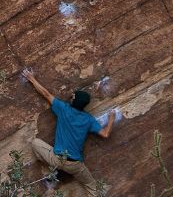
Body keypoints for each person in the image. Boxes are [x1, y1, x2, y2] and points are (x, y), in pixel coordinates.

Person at [21, 67, 113, 196]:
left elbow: (46, 94)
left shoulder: (63, 109)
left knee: (35, 143)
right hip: (75, 166)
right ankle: (58, 171)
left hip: (56, 159)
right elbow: (105, 134)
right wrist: (111, 119)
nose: (71, 96)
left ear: (74, 100)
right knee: (93, 187)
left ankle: (55, 171)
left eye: (73, 96)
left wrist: (31, 78)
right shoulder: (88, 119)